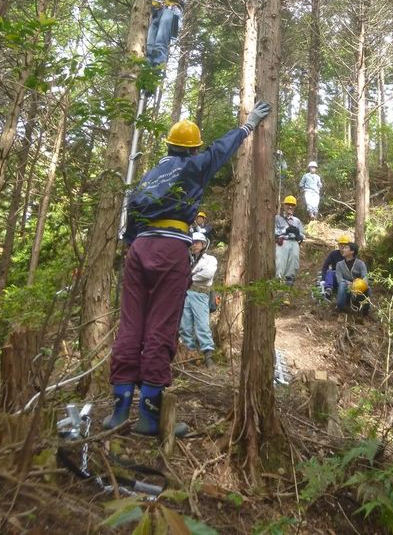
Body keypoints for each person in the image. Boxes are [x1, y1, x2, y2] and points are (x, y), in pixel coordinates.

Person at [103, 101, 271, 436]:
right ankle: (149, 417)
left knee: (131, 325)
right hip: (169, 248)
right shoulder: (192, 166)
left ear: (167, 145)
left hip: (139, 250)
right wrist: (249, 124)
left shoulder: (150, 175)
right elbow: (221, 150)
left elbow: (132, 218)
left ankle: (119, 411)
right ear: (192, 148)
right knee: (161, 327)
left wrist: (133, 245)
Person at [179, 229, 217, 368]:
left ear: (203, 244)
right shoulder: (186, 259)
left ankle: (208, 357)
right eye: (193, 243)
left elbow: (207, 274)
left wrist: (189, 277)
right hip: (186, 294)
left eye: (197, 243)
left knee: (202, 325)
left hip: (201, 294)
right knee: (185, 326)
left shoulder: (210, 259)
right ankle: (191, 355)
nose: (195, 245)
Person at [275, 196, 305, 286]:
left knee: (294, 261)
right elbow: (272, 232)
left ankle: (289, 281)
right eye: (288, 204)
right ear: (284, 205)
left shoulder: (297, 221)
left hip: (294, 242)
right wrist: (285, 230)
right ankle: (278, 281)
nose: (290, 207)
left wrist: (299, 235)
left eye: (292, 205)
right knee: (280, 262)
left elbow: (302, 234)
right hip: (282, 241)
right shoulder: (277, 218)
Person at [335, 242, 370, 314]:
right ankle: (340, 311)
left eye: (346, 248)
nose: (343, 249)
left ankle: (365, 313)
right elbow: (339, 279)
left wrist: (358, 285)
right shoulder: (339, 264)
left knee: (368, 288)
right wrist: (350, 284)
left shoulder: (360, 263)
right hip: (346, 289)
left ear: (352, 251)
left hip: (358, 290)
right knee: (342, 284)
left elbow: (365, 277)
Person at [319, 234, 352, 299]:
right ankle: (328, 290)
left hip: (346, 278)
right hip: (335, 276)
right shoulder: (333, 254)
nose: (342, 246)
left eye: (344, 244)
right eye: (341, 244)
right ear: (338, 245)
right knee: (329, 271)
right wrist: (323, 279)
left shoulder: (351, 255)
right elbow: (325, 267)